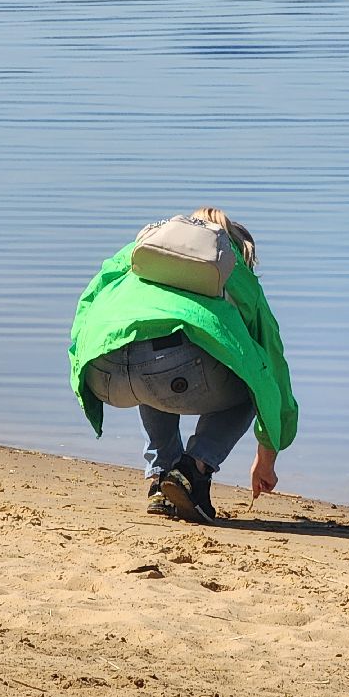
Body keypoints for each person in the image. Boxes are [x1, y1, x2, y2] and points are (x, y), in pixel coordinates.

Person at [69, 207, 296, 524]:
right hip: (171, 369)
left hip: (103, 364)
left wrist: (82, 369)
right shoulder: (234, 272)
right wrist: (267, 456)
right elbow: (273, 374)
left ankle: (162, 481)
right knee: (252, 384)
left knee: (155, 365)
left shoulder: (142, 249)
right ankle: (194, 469)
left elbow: (90, 299)